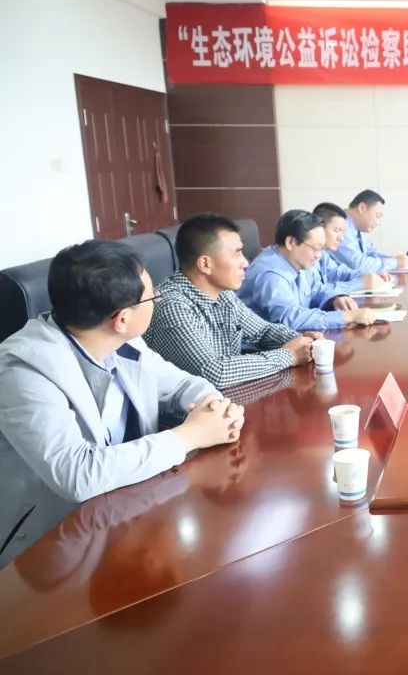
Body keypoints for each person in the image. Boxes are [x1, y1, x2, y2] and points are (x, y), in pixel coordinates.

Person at [0, 240, 244, 568]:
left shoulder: (122, 340)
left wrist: (214, 408)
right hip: (52, 549)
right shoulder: (24, 370)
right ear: (122, 319)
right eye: (153, 296)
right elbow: (76, 475)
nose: (157, 299)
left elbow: (183, 385)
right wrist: (190, 436)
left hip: (128, 510)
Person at [144, 214, 321, 390]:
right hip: (191, 407)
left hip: (230, 397)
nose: (245, 263)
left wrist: (300, 341)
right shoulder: (172, 305)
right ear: (205, 264)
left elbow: (262, 331)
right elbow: (214, 372)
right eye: (237, 254)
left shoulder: (223, 294)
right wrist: (288, 356)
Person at [238, 210, 376, 330]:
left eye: (322, 249)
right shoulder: (270, 274)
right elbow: (289, 318)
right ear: (291, 242)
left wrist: (334, 299)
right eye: (315, 248)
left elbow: (316, 289)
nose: (319, 255)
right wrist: (346, 317)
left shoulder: (298, 261)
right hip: (263, 347)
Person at [329, 189, 408, 273]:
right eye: (378, 216)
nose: (378, 223)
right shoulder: (340, 226)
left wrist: (393, 259)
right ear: (362, 208)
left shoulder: (356, 227)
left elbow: (371, 252)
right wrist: (395, 263)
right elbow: (358, 264)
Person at [312, 202, 389, 290]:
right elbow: (317, 291)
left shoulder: (323, 254)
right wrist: (360, 283)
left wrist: (370, 275)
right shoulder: (307, 256)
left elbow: (340, 273)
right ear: (319, 228)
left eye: (342, 232)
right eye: (336, 230)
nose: (341, 239)